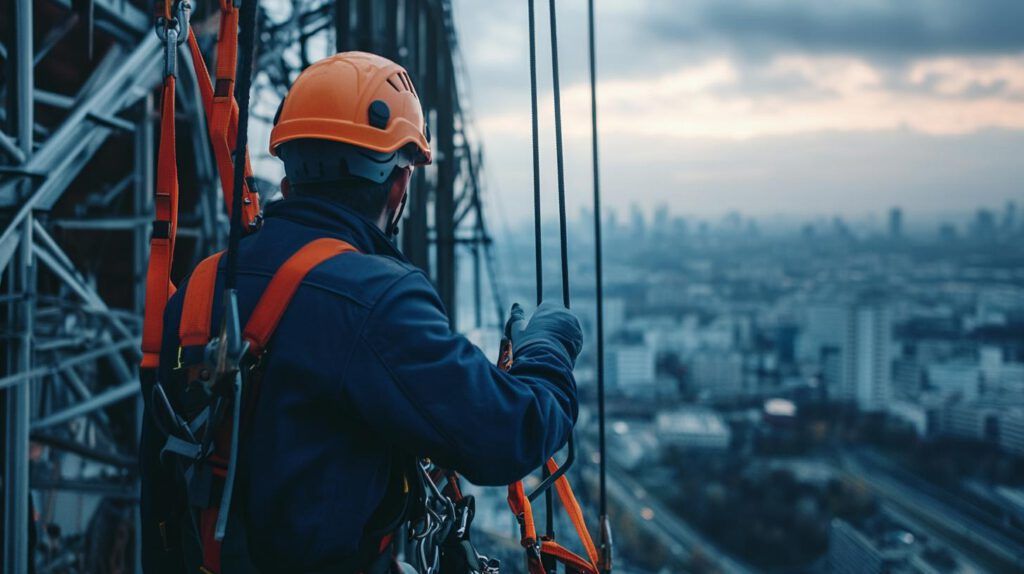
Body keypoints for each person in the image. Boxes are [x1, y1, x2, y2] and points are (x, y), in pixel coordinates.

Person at [139, 51, 582, 573]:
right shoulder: (376, 300)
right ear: (398, 184)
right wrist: (548, 349)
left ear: (290, 177)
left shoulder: (202, 285)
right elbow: (508, 434)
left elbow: (159, 478)